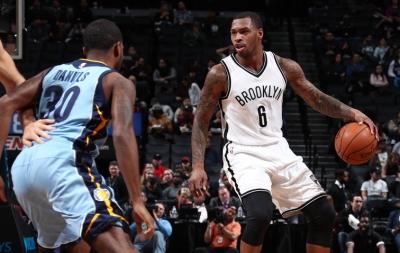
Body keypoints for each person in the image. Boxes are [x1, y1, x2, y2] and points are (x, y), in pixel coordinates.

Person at [187, 11, 378, 253]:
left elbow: (316, 99)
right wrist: (197, 166)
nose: (237, 37)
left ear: (259, 33)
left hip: (279, 149)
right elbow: (201, 121)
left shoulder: (284, 66)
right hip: (243, 153)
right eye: (233, 33)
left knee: (325, 214)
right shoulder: (220, 73)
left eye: (243, 32)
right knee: (260, 215)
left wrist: (352, 113)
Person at [0, 19, 156, 252]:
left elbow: (4, 104)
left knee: (73, 246)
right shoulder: (117, 81)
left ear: (84, 51)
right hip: (65, 162)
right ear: (118, 48)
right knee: (121, 246)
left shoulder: (52, 72)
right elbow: (123, 134)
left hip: (24, 166)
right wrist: (137, 201)